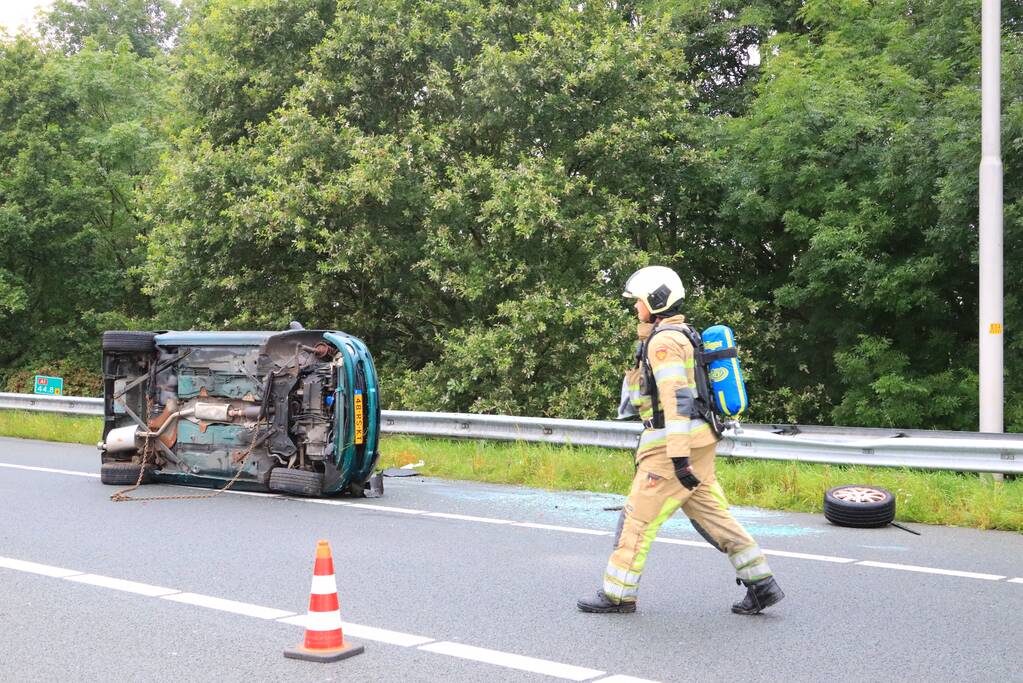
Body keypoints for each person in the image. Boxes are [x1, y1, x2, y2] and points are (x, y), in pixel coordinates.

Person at [577, 266, 784, 615]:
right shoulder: (682, 334)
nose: (635, 307)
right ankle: (762, 584)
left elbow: (676, 399)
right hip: (699, 441)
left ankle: (618, 594)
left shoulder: (663, 343)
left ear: (655, 301)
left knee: (636, 521)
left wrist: (677, 457)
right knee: (713, 517)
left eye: (639, 301)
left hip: (672, 448)